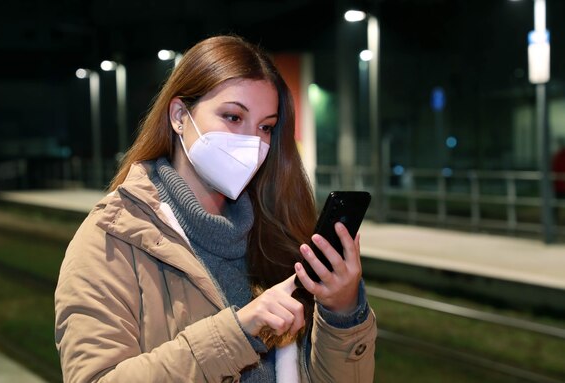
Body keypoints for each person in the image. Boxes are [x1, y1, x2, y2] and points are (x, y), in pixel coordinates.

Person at [54, 34, 377, 382]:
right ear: (179, 115)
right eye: (233, 117)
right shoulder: (112, 237)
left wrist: (342, 312)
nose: (253, 141)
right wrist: (239, 333)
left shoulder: (277, 232)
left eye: (265, 127)